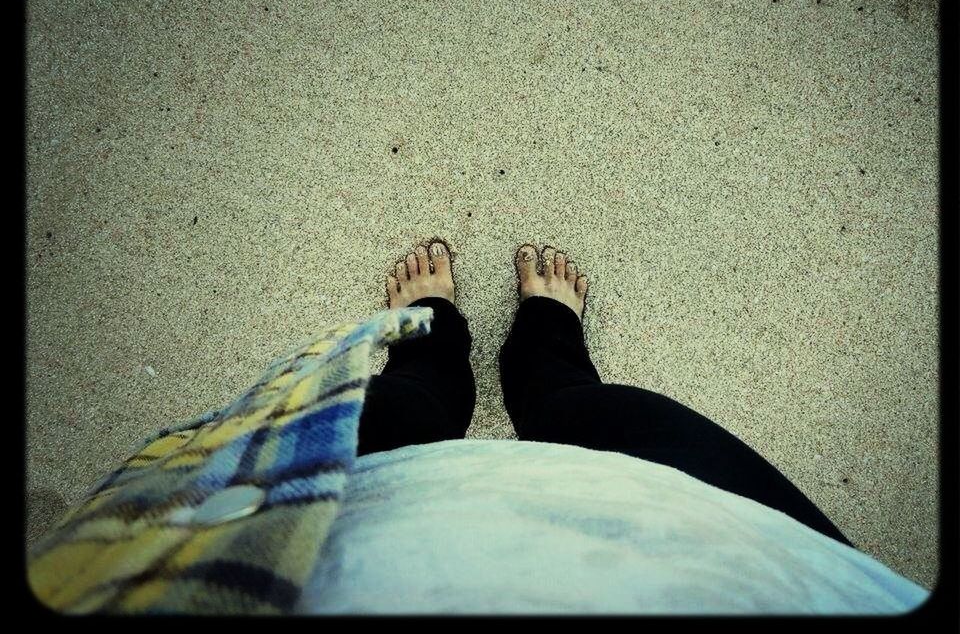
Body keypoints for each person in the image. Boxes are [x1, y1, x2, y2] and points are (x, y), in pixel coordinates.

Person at [28, 240, 930, 615]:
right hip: (721, 563)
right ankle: (543, 353)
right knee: (595, 415)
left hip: (275, 545)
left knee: (410, 411)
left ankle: (440, 347)